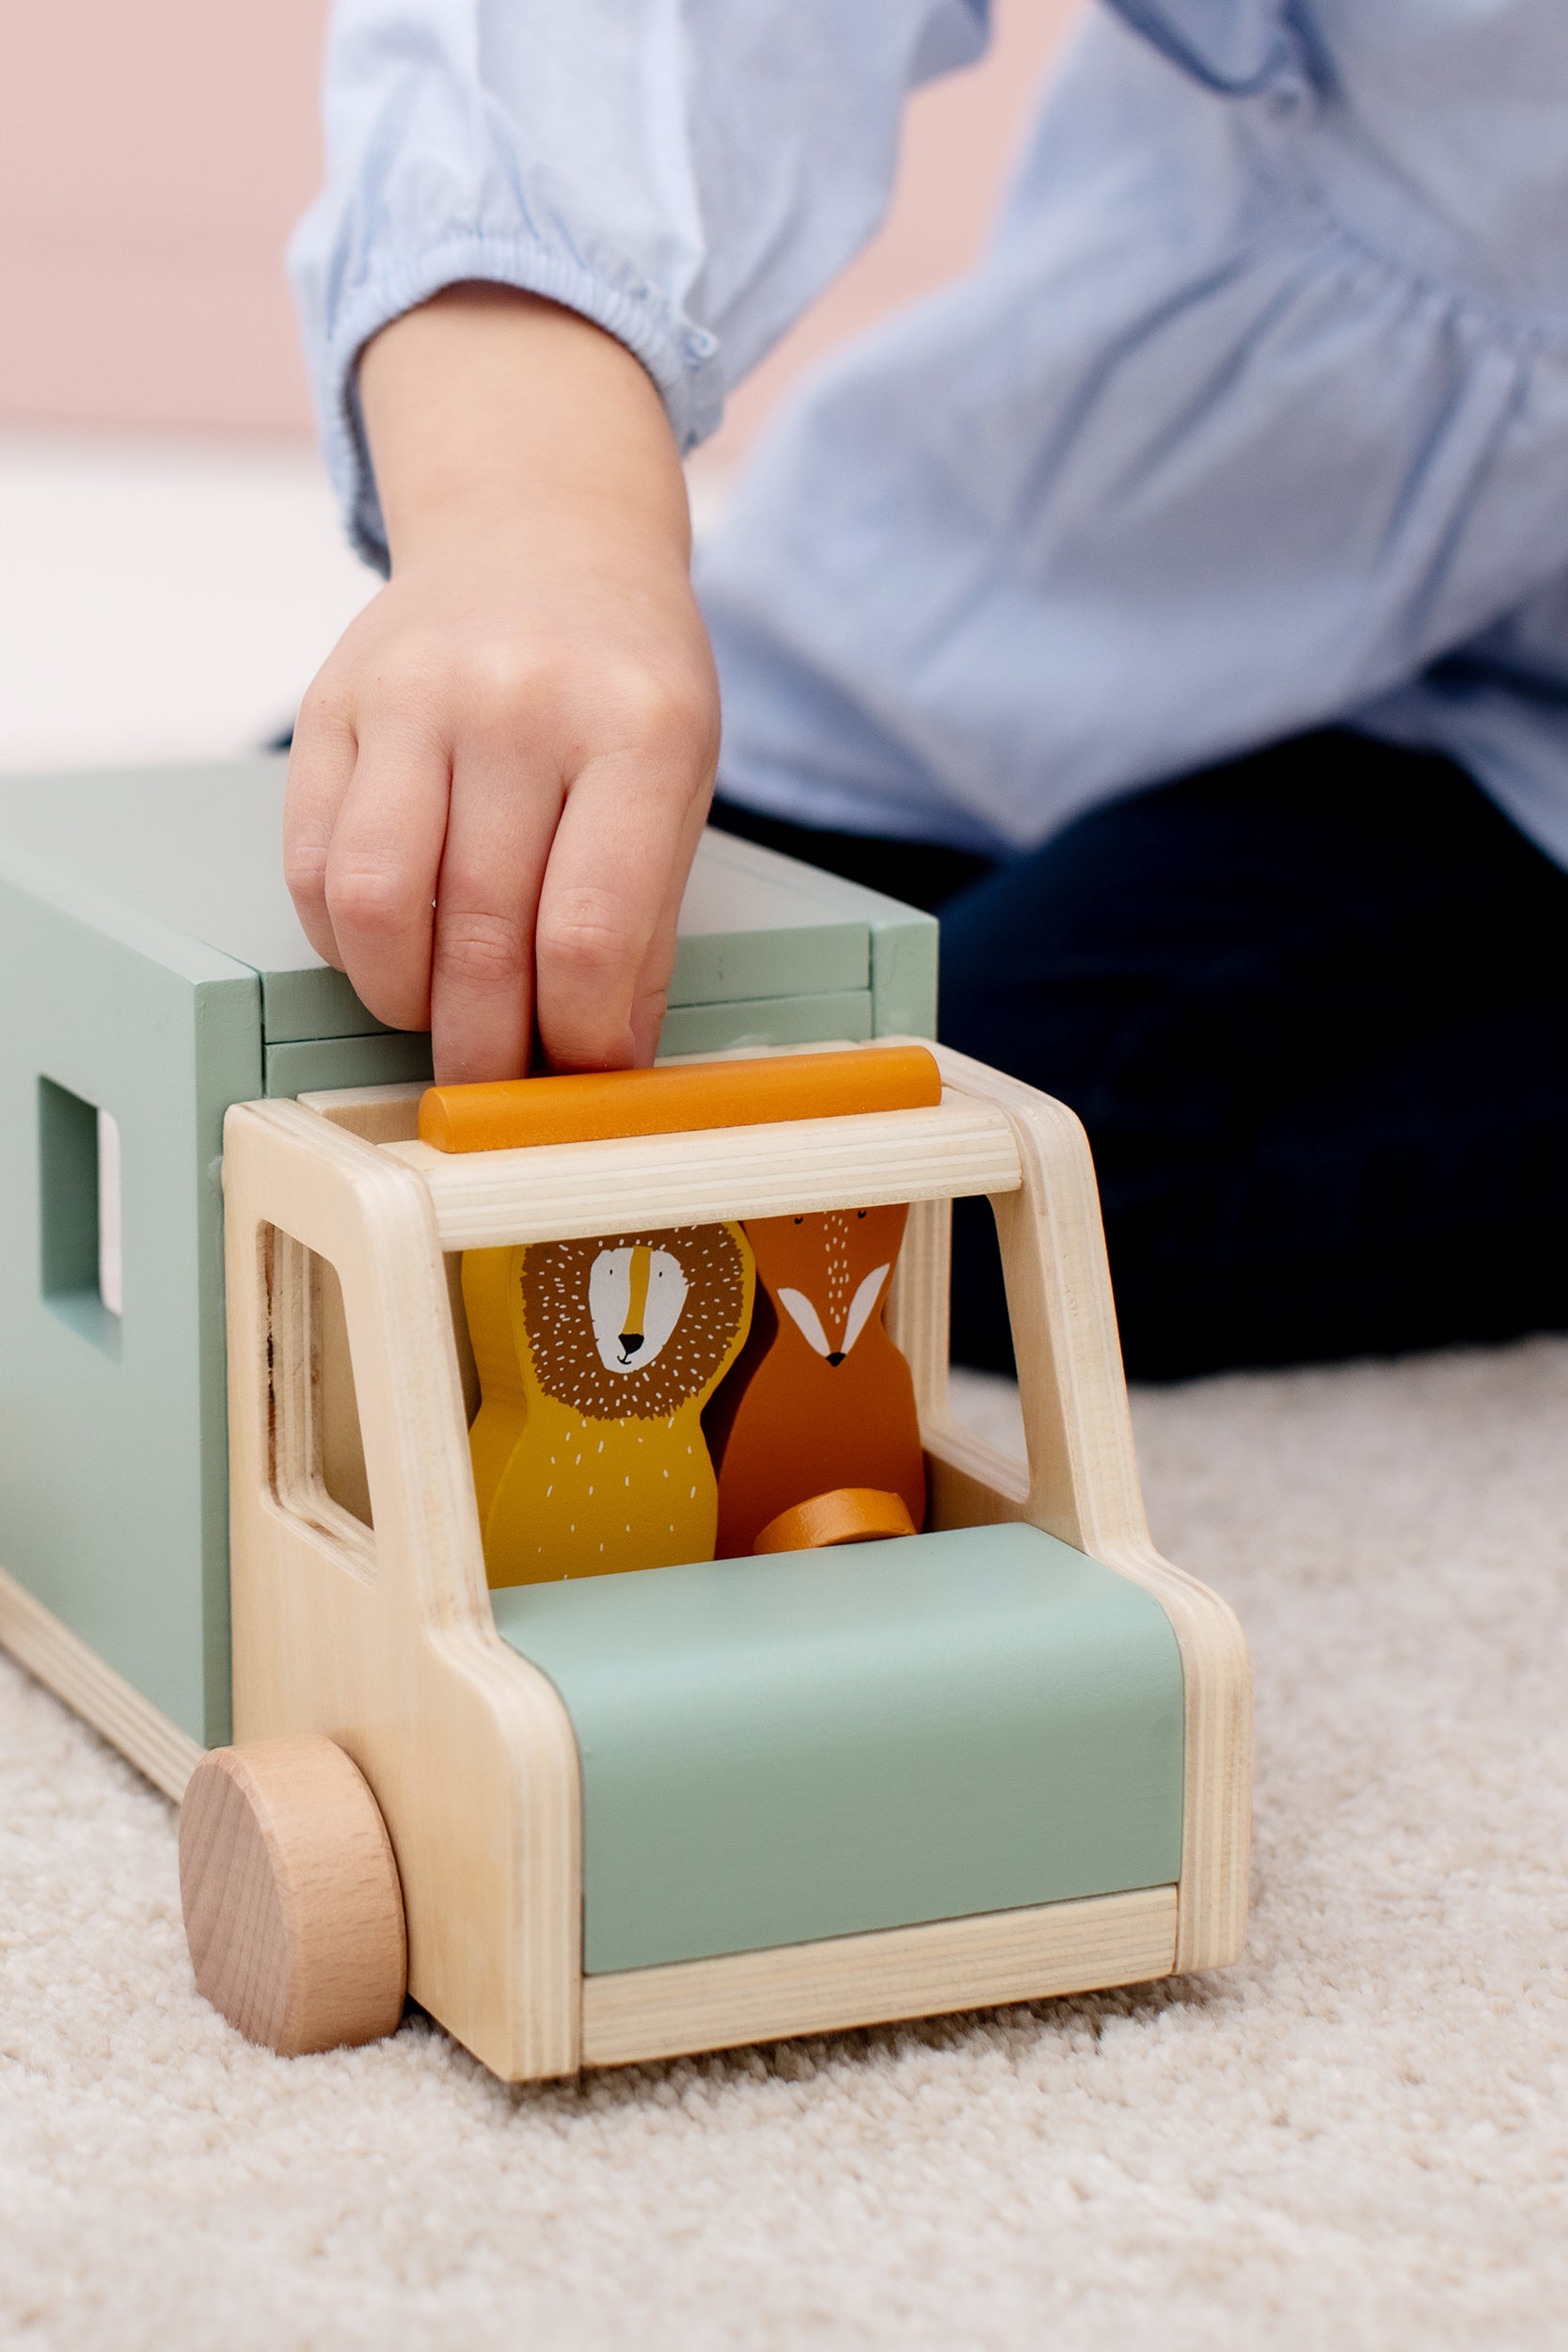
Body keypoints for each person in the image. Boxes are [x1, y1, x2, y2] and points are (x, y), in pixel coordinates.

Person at [283, 1, 1568, 1379]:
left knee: (980, 1170)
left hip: (1512, 741)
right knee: (382, 898)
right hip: (1158, 513)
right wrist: (535, 512)